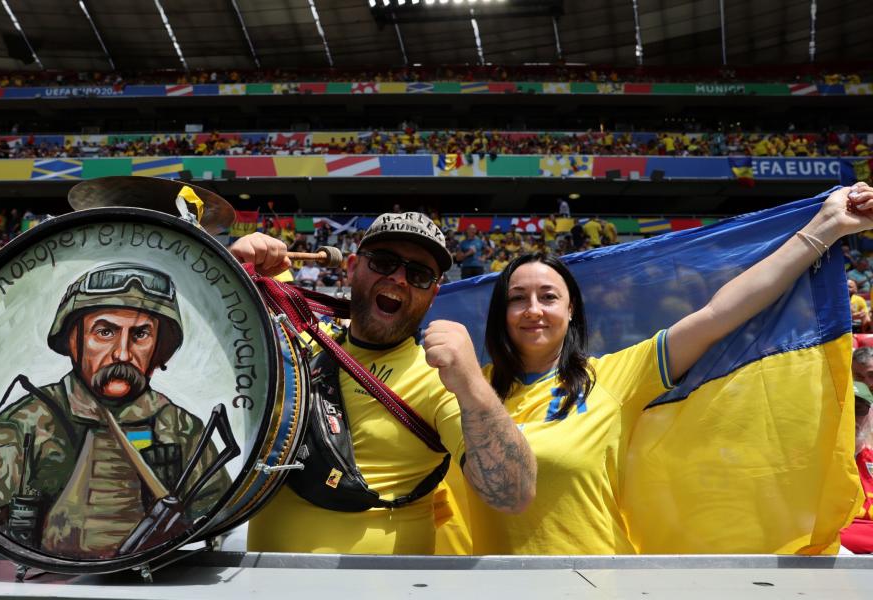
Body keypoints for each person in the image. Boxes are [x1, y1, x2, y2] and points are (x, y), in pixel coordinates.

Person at [465, 182, 873, 554]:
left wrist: (827, 227)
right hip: (494, 587)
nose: (533, 310)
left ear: (571, 311)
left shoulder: (610, 378)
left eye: (548, 296)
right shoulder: (465, 388)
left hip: (595, 583)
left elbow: (717, 314)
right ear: (501, 312)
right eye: (518, 298)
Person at [231, 212, 535, 554]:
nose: (400, 279)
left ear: (433, 293)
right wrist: (235, 265)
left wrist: (473, 385)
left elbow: (513, 493)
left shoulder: (440, 380)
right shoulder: (296, 338)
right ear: (351, 268)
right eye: (384, 262)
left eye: (419, 274)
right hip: (261, 585)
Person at [0, 263, 231, 559]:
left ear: (158, 349)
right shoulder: (28, 422)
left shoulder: (179, 426)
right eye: (105, 332)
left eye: (140, 335)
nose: (122, 353)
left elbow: (217, 515)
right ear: (74, 341)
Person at [839, 380, 873, 553]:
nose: (851, 416)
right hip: (829, 561)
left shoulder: (871, 460)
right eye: (845, 407)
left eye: (859, 409)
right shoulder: (813, 462)